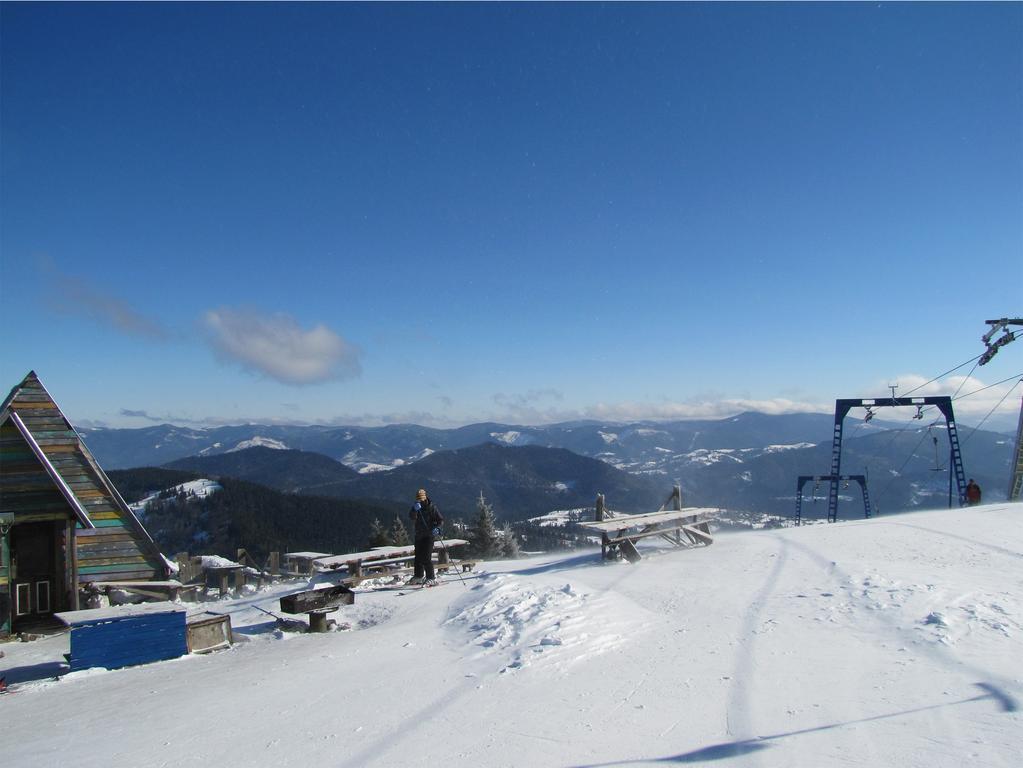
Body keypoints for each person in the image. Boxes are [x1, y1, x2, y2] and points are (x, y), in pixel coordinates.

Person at [408, 488, 443, 586]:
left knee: (426, 557)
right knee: (418, 557)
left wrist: (438, 528)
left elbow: (440, 520)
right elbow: (411, 517)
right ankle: (418, 576)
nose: (419, 501)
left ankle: (431, 578)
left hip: (429, 536)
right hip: (419, 535)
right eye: (418, 499)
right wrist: (414, 510)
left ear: (425, 498)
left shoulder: (432, 507)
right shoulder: (416, 507)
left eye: (421, 499)